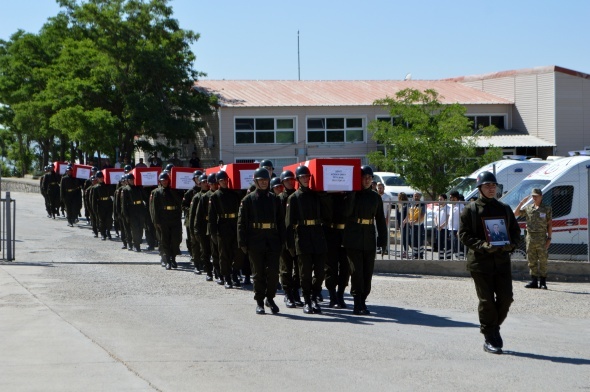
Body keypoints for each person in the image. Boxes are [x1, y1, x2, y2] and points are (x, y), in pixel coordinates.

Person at [459, 171, 520, 355]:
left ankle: (493, 327)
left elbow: (515, 232)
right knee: (486, 301)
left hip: (501, 262)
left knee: (506, 298)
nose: (491, 189)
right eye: (487, 186)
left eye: (494, 186)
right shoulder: (470, 210)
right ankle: (489, 336)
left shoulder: (504, 209)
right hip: (480, 263)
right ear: (480, 188)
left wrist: (510, 245)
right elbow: (463, 235)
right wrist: (483, 245)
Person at [238, 167, 284, 314]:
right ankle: (259, 302)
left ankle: (269, 298)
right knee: (258, 273)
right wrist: (243, 242)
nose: (264, 183)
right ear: (256, 181)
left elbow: (281, 221)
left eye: (266, 180)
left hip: (272, 240)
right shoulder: (248, 200)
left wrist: (283, 240)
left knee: (273, 273)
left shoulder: (274, 199)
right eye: (261, 180)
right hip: (255, 240)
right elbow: (241, 223)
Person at [343, 166, 388, 315]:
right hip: (354, 237)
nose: (368, 180)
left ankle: (363, 300)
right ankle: (357, 302)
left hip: (368, 236)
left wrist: (383, 240)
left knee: (367, 272)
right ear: (359, 178)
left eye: (370, 177)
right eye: (364, 177)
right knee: (356, 271)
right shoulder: (352, 194)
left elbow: (380, 219)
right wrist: (352, 195)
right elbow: (347, 212)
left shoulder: (375, 197)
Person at [285, 165, 328, 314]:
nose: (305, 179)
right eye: (302, 177)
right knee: (305, 273)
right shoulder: (293, 198)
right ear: (297, 179)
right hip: (302, 237)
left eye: (307, 176)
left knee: (321, 271)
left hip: (317, 235)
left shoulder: (316, 195)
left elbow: (326, 214)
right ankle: (307, 300)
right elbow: (289, 223)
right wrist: (290, 245)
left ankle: (315, 295)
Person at [208, 170, 245, 288]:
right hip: (222, 226)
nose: (224, 182)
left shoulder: (234, 194)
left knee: (238, 251)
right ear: (218, 182)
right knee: (224, 254)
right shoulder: (214, 196)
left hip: (234, 224)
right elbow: (212, 216)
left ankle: (234, 272)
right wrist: (213, 232)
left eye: (225, 179)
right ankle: (227, 277)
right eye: (221, 180)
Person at [514, 188, 552, 289]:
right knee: (531, 260)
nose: (534, 198)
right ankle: (534, 281)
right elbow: (516, 213)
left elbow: (549, 224)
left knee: (543, 260)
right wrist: (522, 202)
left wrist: (549, 238)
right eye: (533, 196)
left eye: (536, 196)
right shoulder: (528, 208)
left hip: (541, 238)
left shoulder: (546, 208)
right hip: (530, 237)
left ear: (541, 196)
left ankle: (543, 282)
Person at [278, 170, 303, 308]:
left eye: (291, 179)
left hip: (298, 235)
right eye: (287, 180)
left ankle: (296, 292)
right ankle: (287, 294)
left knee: (299, 268)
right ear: (282, 182)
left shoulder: (298, 196)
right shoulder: (280, 198)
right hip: (284, 236)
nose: (289, 182)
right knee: (285, 267)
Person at [150, 172, 183, 270]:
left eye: (166, 180)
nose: (164, 182)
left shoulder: (175, 190)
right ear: (159, 181)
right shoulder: (157, 192)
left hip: (175, 217)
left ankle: (173, 258)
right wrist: (156, 221)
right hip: (163, 218)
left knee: (175, 240)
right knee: (165, 241)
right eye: (162, 180)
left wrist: (173, 190)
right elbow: (154, 208)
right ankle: (168, 260)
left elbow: (180, 202)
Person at [182, 170, 204, 272]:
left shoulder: (205, 191)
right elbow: (184, 206)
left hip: (203, 220)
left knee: (204, 242)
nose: (198, 180)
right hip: (191, 219)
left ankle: (204, 261)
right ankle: (196, 262)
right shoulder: (190, 192)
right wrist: (192, 210)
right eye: (196, 178)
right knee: (193, 241)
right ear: (194, 180)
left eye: (200, 177)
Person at [121, 173, 147, 252]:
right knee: (135, 228)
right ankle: (136, 245)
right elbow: (123, 203)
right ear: (127, 181)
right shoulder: (125, 189)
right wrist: (126, 215)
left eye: (132, 179)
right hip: (131, 210)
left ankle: (138, 242)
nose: (132, 181)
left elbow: (144, 197)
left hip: (140, 208)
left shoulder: (138, 187)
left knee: (140, 228)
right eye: (130, 180)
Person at [91, 172, 114, 240]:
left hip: (108, 203)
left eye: (102, 177)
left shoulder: (108, 185)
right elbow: (94, 200)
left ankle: (108, 232)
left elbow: (112, 193)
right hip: (100, 205)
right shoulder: (95, 188)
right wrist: (94, 209)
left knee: (109, 219)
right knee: (102, 220)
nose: (101, 179)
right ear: (97, 179)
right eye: (99, 178)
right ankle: (103, 234)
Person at [403, 192, 425, 259]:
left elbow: (422, 214)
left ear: (420, 197)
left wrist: (415, 221)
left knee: (419, 240)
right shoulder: (411, 204)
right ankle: (415, 254)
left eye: (417, 196)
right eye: (415, 196)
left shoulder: (422, 204)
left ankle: (420, 255)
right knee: (413, 240)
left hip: (419, 224)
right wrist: (405, 220)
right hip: (412, 225)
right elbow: (409, 214)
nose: (416, 197)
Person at [448, 190, 465, 259]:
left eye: (451, 197)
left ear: (455, 198)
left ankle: (460, 259)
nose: (450, 199)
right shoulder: (452, 205)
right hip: (451, 229)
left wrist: (459, 229)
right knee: (454, 245)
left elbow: (463, 218)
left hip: (457, 229)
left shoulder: (460, 205)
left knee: (458, 245)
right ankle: (458, 257)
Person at [376, 182, 392, 255]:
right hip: (376, 217)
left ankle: (386, 248)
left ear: (383, 188)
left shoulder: (387, 197)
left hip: (384, 217)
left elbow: (389, 209)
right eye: (378, 188)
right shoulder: (375, 196)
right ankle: (378, 248)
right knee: (376, 233)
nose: (379, 189)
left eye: (381, 188)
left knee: (385, 233)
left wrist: (388, 218)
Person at [435, 193, 451, 260]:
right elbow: (435, 217)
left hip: (445, 228)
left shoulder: (448, 208)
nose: (439, 201)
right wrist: (436, 225)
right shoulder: (437, 208)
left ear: (445, 199)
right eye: (439, 199)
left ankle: (448, 257)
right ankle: (441, 257)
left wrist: (441, 226)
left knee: (447, 243)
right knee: (439, 243)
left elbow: (448, 219)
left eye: (441, 199)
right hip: (438, 228)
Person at [397, 192, 410, 258]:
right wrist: (398, 224)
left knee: (405, 237)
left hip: (406, 223)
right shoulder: (399, 204)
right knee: (403, 238)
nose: (399, 197)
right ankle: (404, 251)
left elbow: (408, 214)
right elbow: (398, 215)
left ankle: (406, 252)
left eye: (400, 196)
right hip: (400, 223)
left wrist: (404, 221)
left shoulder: (407, 204)